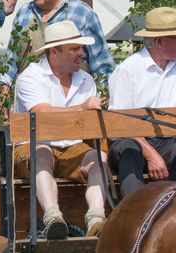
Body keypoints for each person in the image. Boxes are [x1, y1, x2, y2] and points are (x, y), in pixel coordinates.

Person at [13, 20, 108, 239]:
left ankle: (96, 219)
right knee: (42, 151)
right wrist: (82, 108)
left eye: (81, 48)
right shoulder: (31, 76)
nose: (82, 54)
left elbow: (89, 122)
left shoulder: (86, 80)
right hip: (32, 146)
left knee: (99, 158)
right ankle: (53, 218)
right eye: (74, 49)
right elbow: (42, 114)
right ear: (53, 52)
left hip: (71, 148)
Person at [108, 7, 176, 199]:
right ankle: (133, 212)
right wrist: (151, 154)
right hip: (134, 139)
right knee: (129, 149)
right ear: (159, 41)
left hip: (170, 140)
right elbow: (121, 124)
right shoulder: (128, 69)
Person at [0, 0, 113, 93]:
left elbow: (102, 66)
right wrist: (4, 94)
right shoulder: (24, 13)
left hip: (74, 99)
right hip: (30, 100)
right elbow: (11, 60)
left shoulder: (82, 13)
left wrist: (103, 99)